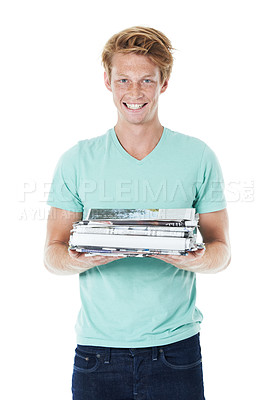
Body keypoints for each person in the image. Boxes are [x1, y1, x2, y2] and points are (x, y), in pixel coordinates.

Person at [44, 26, 231, 400]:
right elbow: (52, 254)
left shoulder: (198, 156)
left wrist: (188, 258)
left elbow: (221, 251)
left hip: (176, 351)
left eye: (146, 79)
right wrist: (85, 259)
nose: (134, 92)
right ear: (107, 81)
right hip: (97, 355)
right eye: (123, 79)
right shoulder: (77, 160)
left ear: (163, 83)